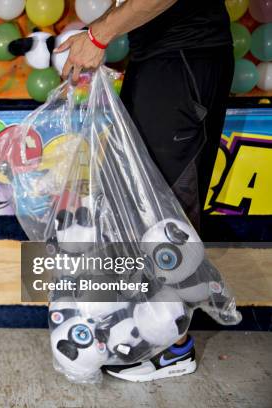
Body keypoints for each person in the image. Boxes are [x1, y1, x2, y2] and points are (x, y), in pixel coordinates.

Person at [55, 0, 234, 382]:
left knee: (165, 211)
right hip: (160, 55)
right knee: (142, 202)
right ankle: (153, 334)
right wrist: (98, 30)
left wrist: (99, 35)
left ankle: (173, 348)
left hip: (183, 57)